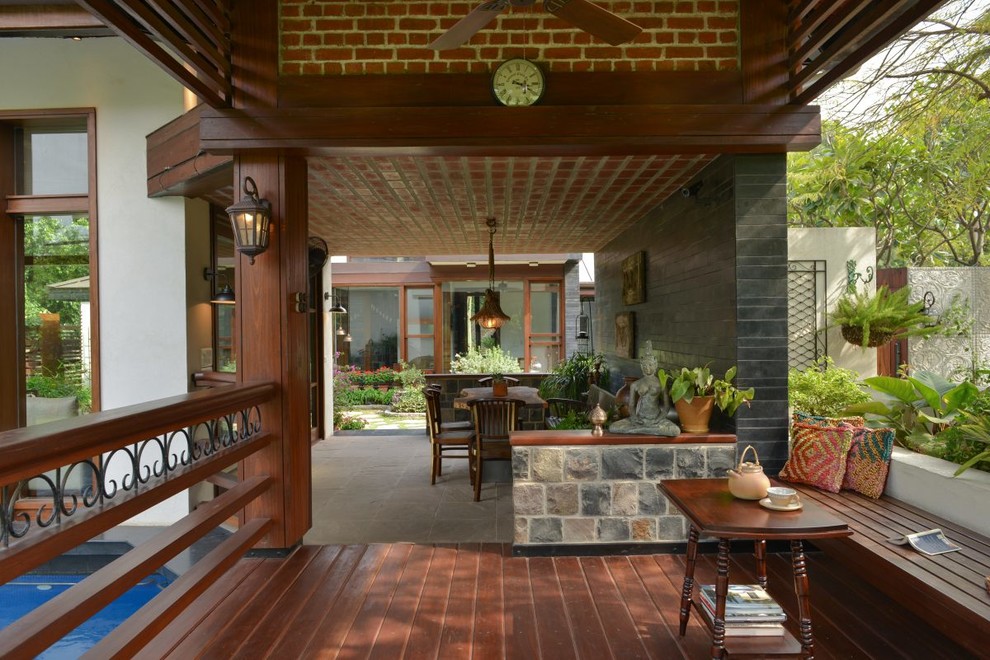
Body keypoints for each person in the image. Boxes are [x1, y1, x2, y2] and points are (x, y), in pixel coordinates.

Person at [608, 346, 679, 437]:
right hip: (640, 419)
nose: (647, 368)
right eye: (644, 365)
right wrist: (634, 418)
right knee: (613, 427)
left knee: (675, 431)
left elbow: (666, 407)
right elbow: (631, 406)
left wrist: (658, 419)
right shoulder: (635, 384)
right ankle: (647, 429)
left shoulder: (661, 383)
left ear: (655, 365)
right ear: (641, 366)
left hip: (656, 419)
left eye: (650, 365)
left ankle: (643, 430)